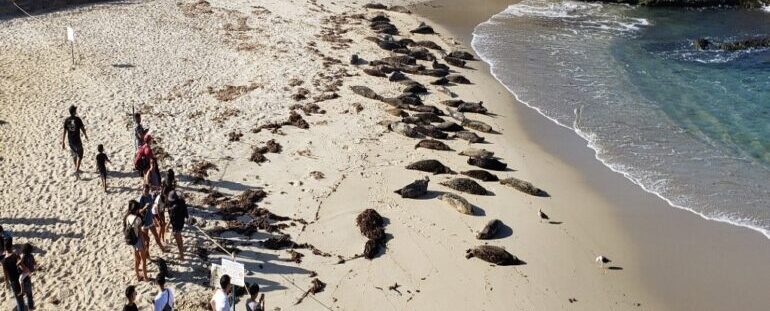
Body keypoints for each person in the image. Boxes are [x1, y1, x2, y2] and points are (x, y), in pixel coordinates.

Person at [61, 105, 89, 175]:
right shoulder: (78, 119)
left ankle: (76, 167)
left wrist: (63, 142)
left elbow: (64, 131)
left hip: (70, 140)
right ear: (74, 112)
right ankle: (77, 169)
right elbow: (82, 128)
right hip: (77, 140)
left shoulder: (67, 120)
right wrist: (85, 135)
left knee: (74, 154)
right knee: (80, 154)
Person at [139, 185, 165, 258]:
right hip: (144, 223)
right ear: (142, 190)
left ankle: (162, 248)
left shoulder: (150, 196)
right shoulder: (141, 198)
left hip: (150, 220)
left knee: (156, 236)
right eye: (145, 191)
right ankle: (147, 254)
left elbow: (153, 205)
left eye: (147, 190)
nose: (147, 192)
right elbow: (139, 211)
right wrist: (144, 207)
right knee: (147, 240)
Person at [125, 200, 148, 281]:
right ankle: (145, 277)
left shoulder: (127, 217)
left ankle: (138, 276)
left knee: (136, 259)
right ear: (136, 209)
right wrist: (144, 244)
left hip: (132, 239)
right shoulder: (138, 219)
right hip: (138, 240)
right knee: (143, 260)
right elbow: (140, 234)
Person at [2, 239, 25, 311]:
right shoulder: (16, 256)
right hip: (21, 279)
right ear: (11, 247)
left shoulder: (3, 261)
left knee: (19, 300)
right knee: (21, 300)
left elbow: (5, 275)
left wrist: (6, 283)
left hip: (13, 282)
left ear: (5, 248)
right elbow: (23, 267)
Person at [168, 190, 188, 260]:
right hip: (181, 223)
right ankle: (182, 251)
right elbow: (186, 214)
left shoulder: (174, 208)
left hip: (176, 225)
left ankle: (182, 256)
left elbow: (172, 218)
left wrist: (168, 225)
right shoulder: (182, 202)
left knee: (178, 241)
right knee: (180, 237)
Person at [18, 243, 36, 310]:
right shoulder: (31, 255)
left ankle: (22, 291)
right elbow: (34, 263)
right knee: (30, 294)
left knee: (20, 280)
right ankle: (31, 307)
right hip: (30, 271)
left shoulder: (24, 256)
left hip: (26, 272)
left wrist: (18, 263)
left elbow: (20, 264)